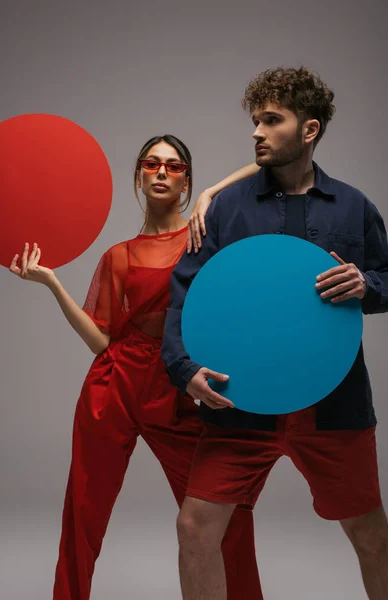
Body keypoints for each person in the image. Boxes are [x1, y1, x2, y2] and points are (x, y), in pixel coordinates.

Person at [161, 67, 388, 600]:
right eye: (255, 121)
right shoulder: (225, 209)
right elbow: (185, 294)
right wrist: (184, 369)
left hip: (334, 404)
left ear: (308, 130)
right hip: (241, 401)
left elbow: (386, 278)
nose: (257, 132)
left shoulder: (354, 207)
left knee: (373, 537)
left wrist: (366, 283)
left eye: (271, 120)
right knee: (194, 529)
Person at [9, 134, 264, 600]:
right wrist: (51, 284)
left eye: (173, 165)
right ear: (139, 177)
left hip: (179, 387)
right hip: (115, 385)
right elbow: (102, 341)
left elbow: (264, 170)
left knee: (223, 515)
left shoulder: (206, 235)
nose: (162, 171)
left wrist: (212, 193)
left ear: (186, 180)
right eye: (152, 164)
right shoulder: (118, 255)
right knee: (83, 511)